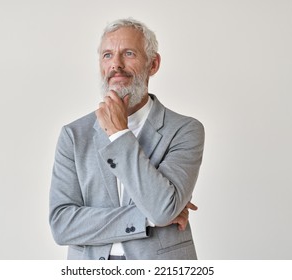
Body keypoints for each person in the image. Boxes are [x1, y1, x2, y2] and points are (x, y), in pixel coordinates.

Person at [49, 18, 205, 260]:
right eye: (107, 55)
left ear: (153, 64)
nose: (116, 65)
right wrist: (147, 218)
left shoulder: (185, 130)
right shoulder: (74, 135)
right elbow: (61, 225)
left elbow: (163, 209)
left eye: (129, 53)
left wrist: (120, 134)